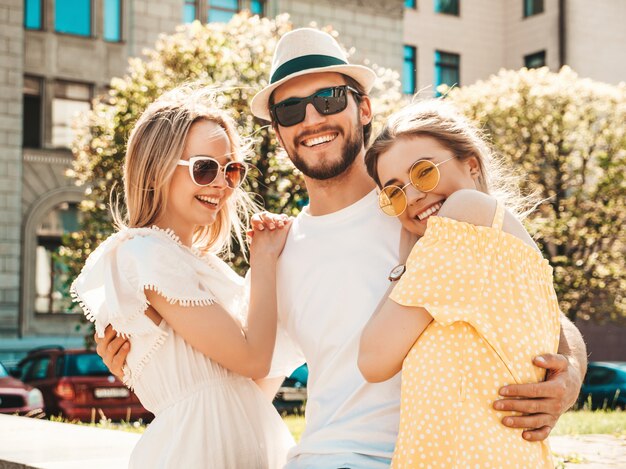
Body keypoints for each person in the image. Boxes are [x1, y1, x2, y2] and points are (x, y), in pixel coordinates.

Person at [97, 28, 587, 468]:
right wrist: (144, 355)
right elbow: (246, 377)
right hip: (326, 459)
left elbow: (537, 305)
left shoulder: (421, 206)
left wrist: (568, 380)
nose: (312, 118)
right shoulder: (279, 252)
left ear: (364, 108)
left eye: (330, 98)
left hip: (441, 454)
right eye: (290, 109)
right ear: (280, 132)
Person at [71, 85, 294, 468]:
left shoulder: (205, 267)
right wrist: (266, 262)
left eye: (231, 169)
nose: (222, 184)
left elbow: (252, 384)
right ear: (156, 171)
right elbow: (253, 359)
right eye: (205, 168)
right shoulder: (144, 254)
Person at [358, 99, 561, 467]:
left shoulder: (467, 212)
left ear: (471, 164)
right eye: (394, 191)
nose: (414, 196)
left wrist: (407, 263)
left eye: (423, 172)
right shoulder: (492, 247)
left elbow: (373, 360)